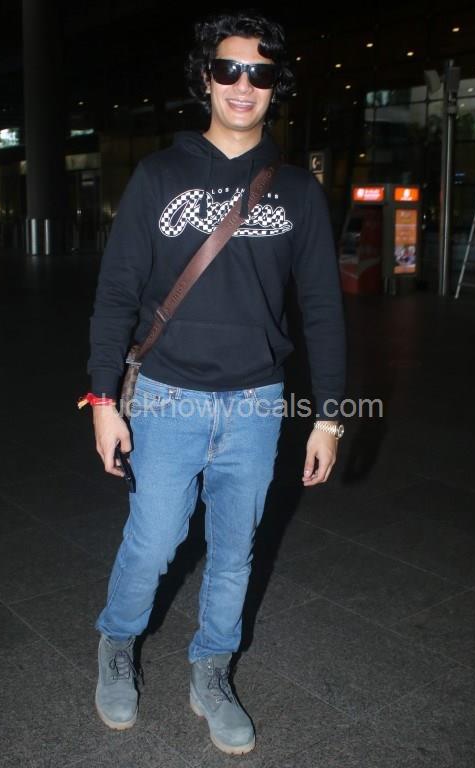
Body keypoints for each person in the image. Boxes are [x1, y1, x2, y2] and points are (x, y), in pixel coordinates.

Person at [83, 10, 346, 756]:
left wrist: (329, 417)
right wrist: (103, 400)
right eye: (229, 69)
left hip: (257, 402)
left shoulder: (296, 191)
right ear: (206, 77)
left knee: (235, 552)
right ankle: (116, 643)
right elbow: (115, 295)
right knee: (153, 541)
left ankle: (212, 670)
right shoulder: (159, 175)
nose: (243, 85)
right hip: (167, 397)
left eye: (260, 73)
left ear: (275, 86)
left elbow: (322, 309)